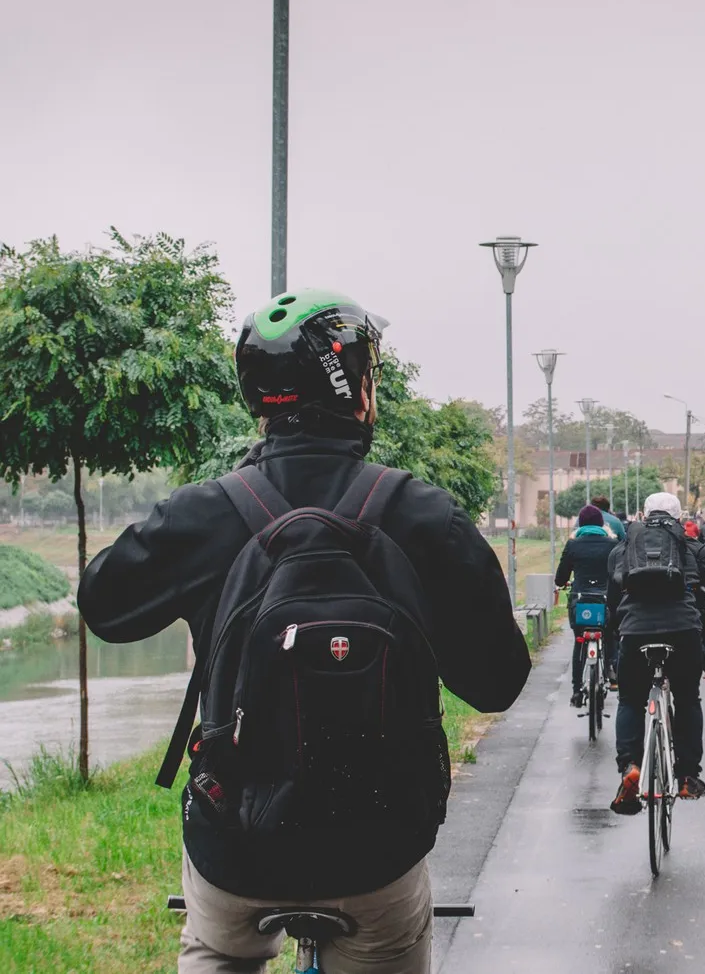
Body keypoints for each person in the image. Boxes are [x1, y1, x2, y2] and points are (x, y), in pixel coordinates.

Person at [77, 290, 530, 974]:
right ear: (360, 390)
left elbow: (105, 609)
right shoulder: (421, 513)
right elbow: (497, 684)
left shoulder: (205, 512)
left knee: (214, 950)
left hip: (236, 843)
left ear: (256, 398)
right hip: (379, 846)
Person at [607, 492, 705, 812]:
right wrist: (702, 645)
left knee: (630, 699)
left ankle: (630, 766)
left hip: (635, 631)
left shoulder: (623, 548)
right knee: (686, 699)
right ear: (679, 516)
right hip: (682, 631)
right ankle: (686, 777)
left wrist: (621, 633)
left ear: (644, 514)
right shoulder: (694, 547)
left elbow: (612, 601)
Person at [556, 504, 618, 707]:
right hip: (605, 602)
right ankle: (610, 667)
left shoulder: (573, 545)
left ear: (580, 524)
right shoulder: (612, 545)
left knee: (580, 642)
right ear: (602, 523)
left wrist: (564, 582)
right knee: (609, 634)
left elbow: (560, 578)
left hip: (580, 601)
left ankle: (576, 691)